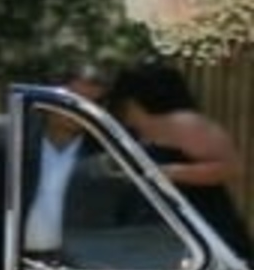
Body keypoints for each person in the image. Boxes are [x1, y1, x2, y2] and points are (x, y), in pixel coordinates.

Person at [0, 63, 115, 270]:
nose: (75, 111)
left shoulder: (106, 150)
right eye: (71, 100)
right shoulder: (4, 137)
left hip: (78, 269)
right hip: (7, 263)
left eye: (89, 103)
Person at [104, 55, 254, 258]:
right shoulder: (132, 129)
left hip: (199, 224)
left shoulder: (186, 124)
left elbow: (232, 167)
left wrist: (169, 172)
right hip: (151, 231)